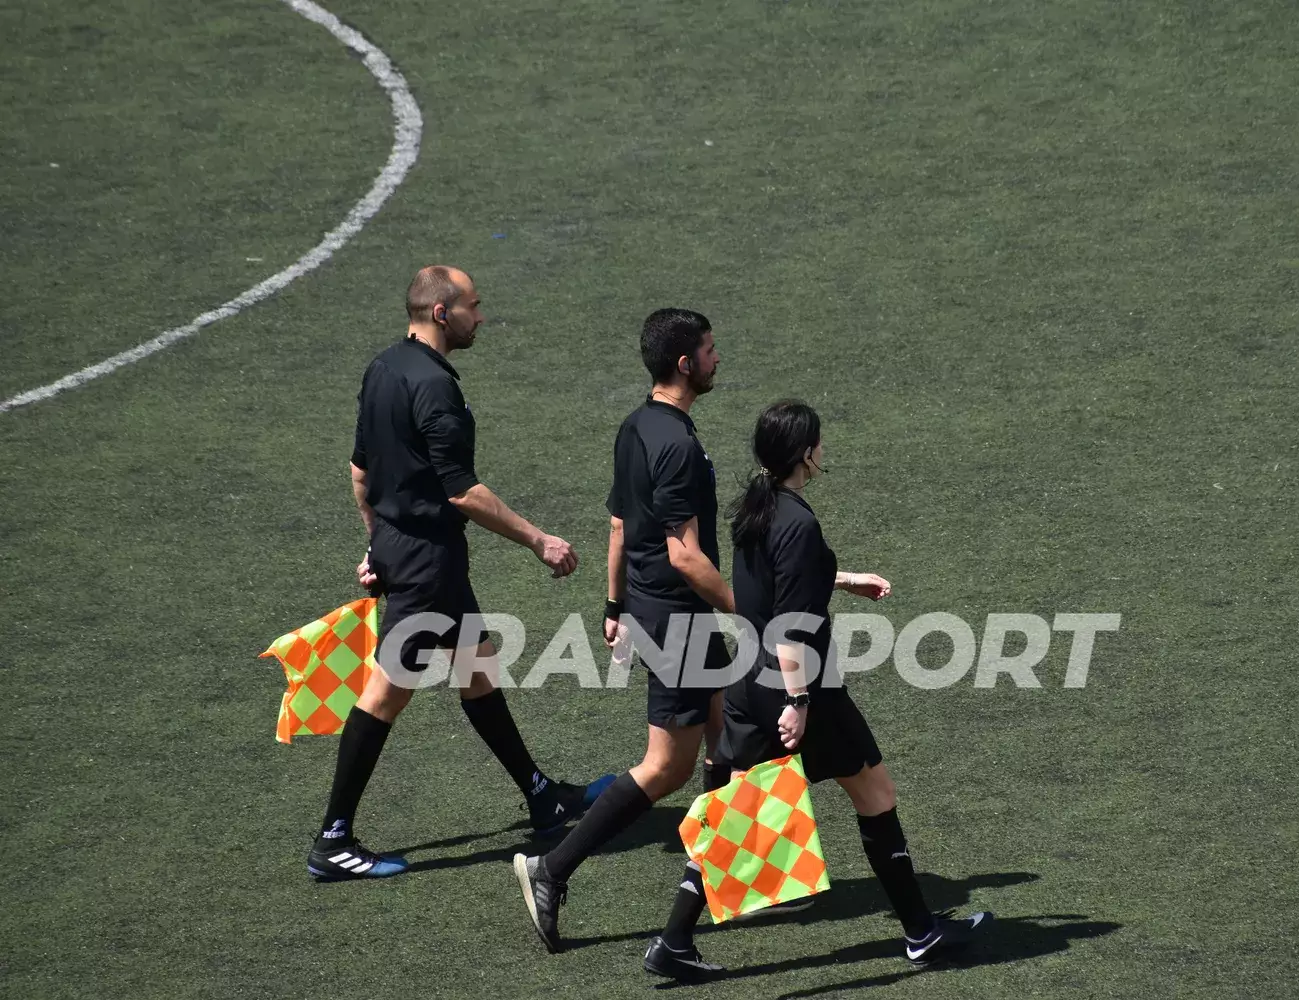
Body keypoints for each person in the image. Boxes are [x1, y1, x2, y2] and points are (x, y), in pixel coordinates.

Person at [640, 400, 992, 980]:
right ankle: (921, 934)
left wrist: (845, 579)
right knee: (875, 794)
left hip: (749, 683)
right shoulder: (798, 523)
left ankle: (674, 941)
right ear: (806, 454)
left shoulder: (754, 508)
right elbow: (790, 626)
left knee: (738, 814)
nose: (823, 449)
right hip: (804, 690)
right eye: (819, 442)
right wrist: (799, 702)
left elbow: (771, 588)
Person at [306, 265, 608, 881]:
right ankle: (332, 839)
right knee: (388, 691)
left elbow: (361, 472)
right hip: (427, 560)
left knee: (477, 668)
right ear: (442, 313)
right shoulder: (435, 387)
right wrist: (539, 540)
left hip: (409, 550)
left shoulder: (383, 367)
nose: (481, 316)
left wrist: (378, 546)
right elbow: (462, 491)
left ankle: (540, 796)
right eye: (474, 305)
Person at [512, 308, 734, 951]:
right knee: (666, 766)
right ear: (685, 364)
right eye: (710, 350)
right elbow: (684, 555)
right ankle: (552, 869)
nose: (717, 358)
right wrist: (746, 608)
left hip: (658, 609)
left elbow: (618, 524)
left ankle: (722, 870)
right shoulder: (678, 445)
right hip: (677, 616)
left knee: (728, 736)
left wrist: (614, 605)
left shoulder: (637, 425)